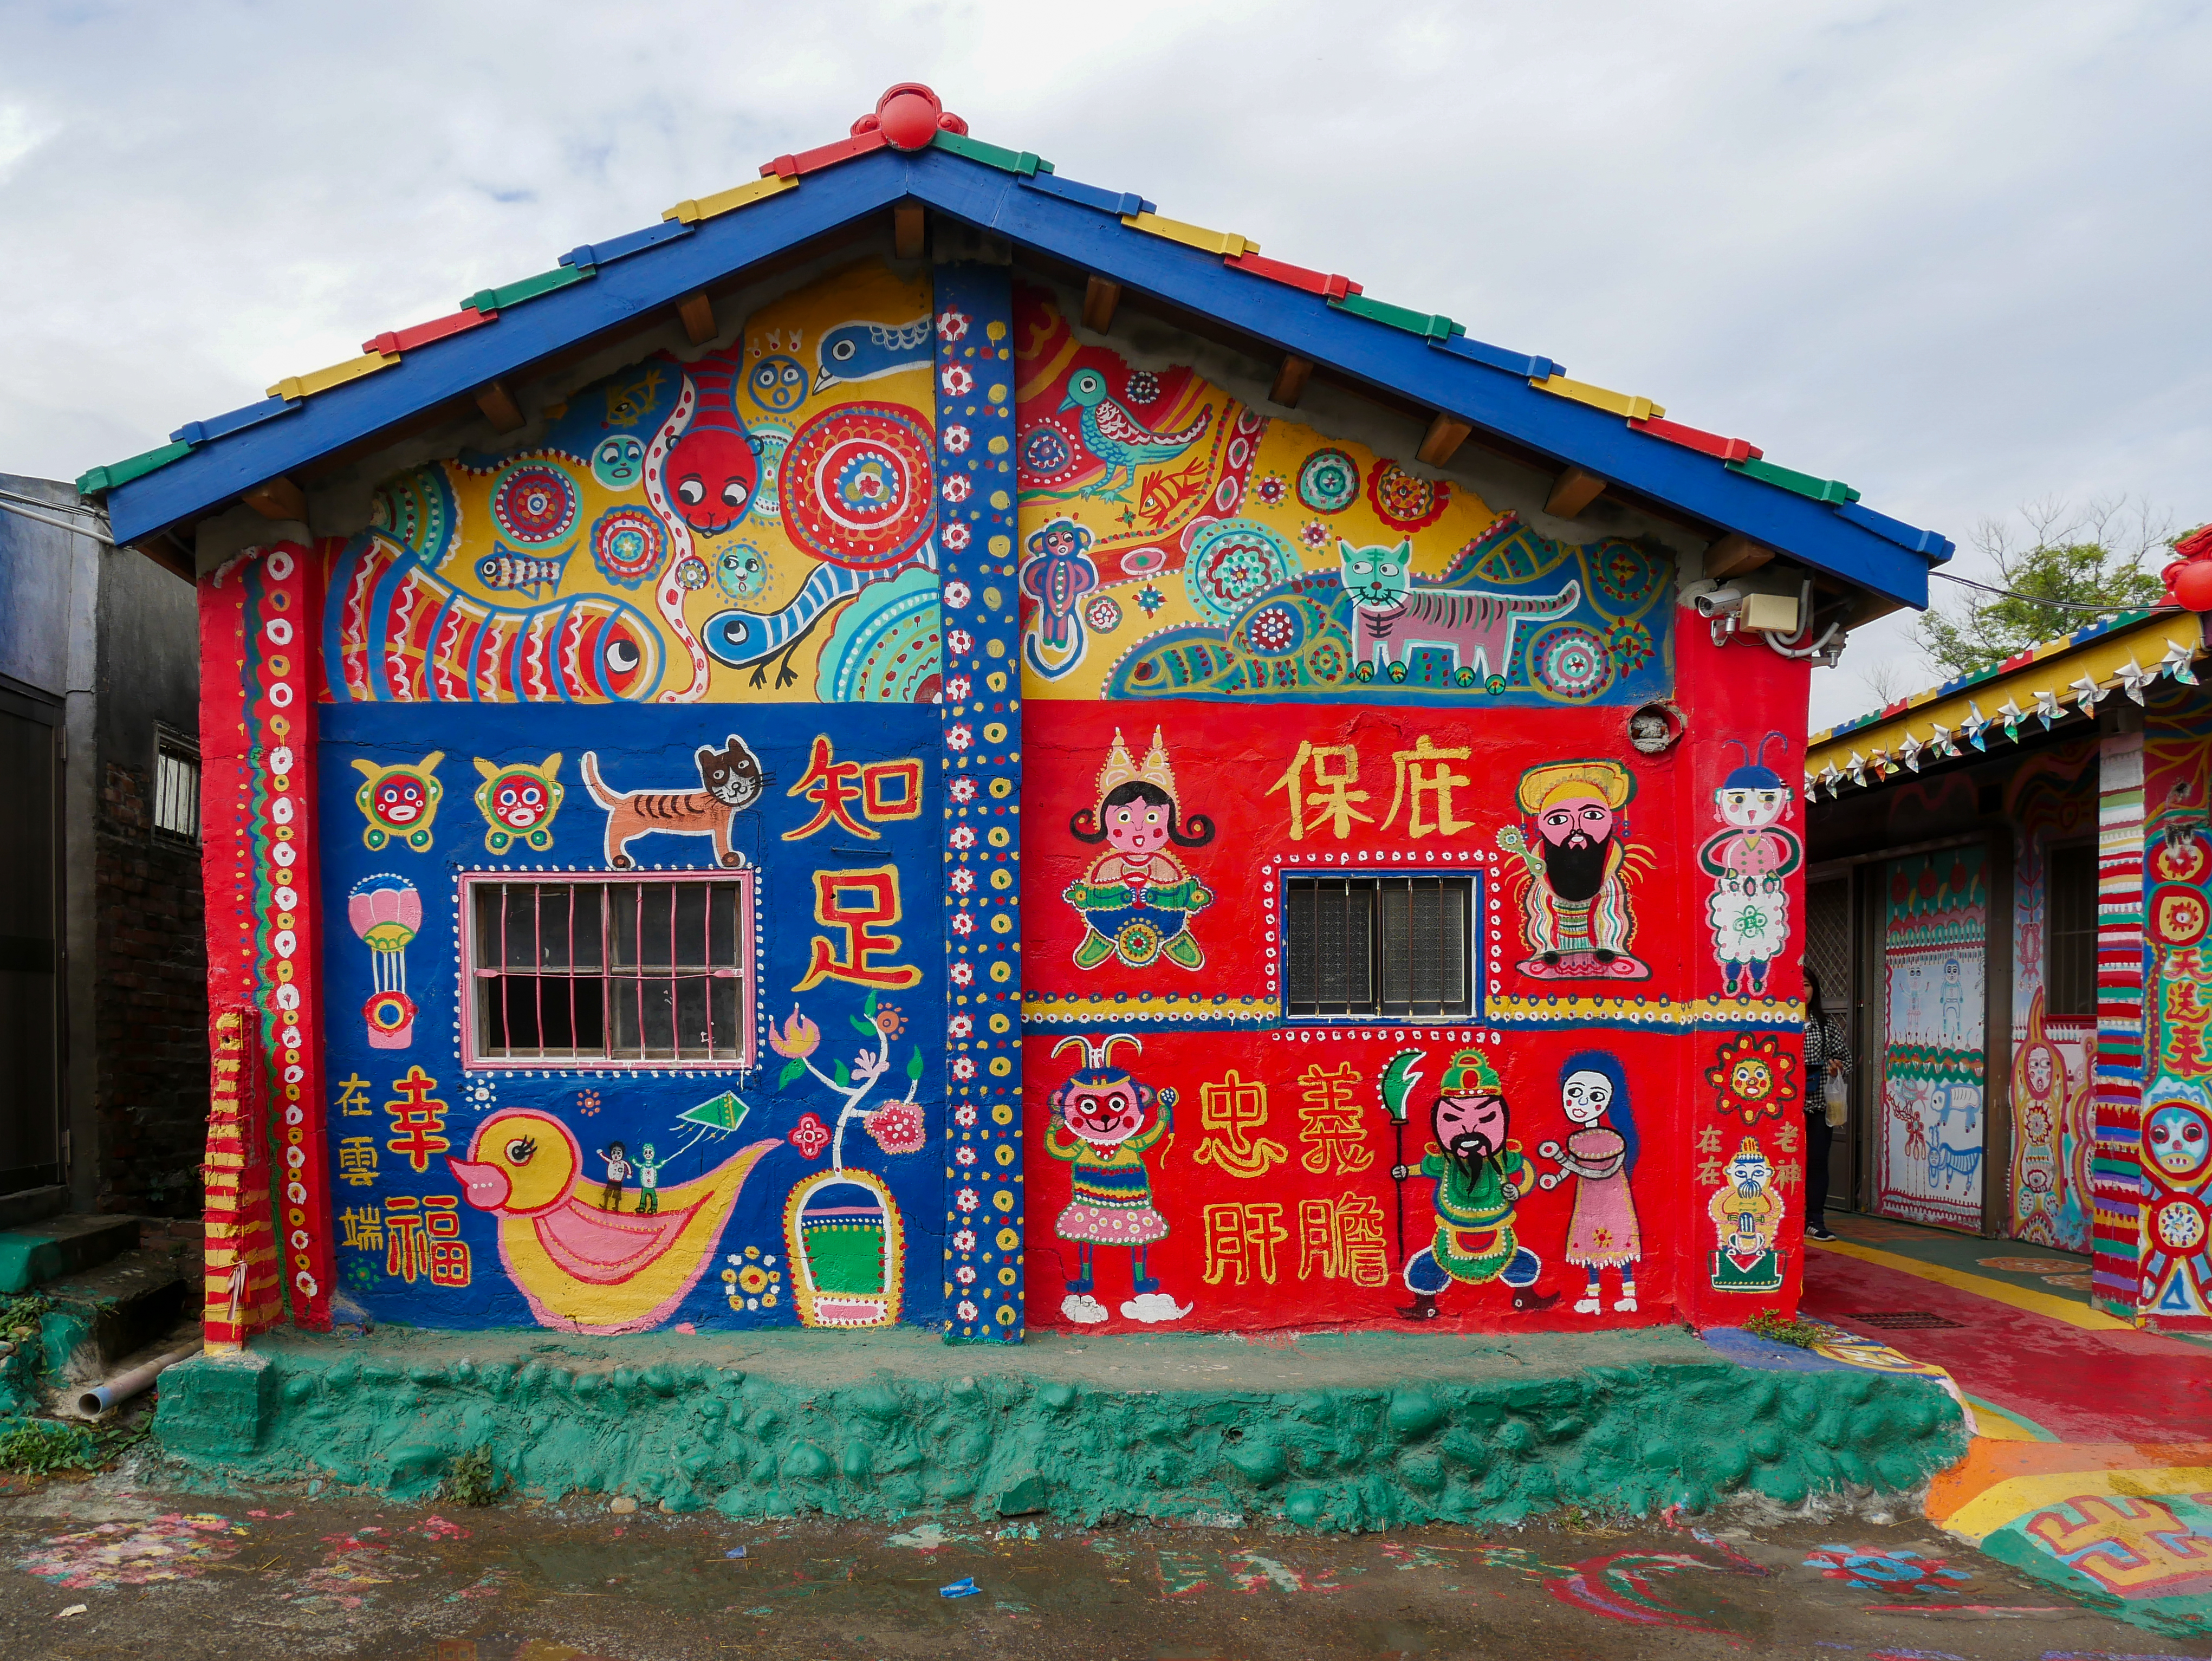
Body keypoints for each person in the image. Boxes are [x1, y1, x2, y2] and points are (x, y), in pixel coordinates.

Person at [1804, 970, 1851, 1241]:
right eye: (1797, 985)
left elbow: (1844, 1060)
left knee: (1818, 1162)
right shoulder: (1775, 1023)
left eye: (1808, 985)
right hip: (1784, 1111)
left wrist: (1837, 1067)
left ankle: (1815, 1220)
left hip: (1819, 1106)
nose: (1803, 990)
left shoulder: (1826, 1025)